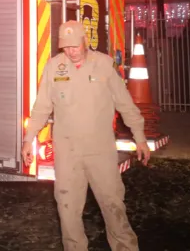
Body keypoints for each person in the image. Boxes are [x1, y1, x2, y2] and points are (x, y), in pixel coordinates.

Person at [21, 20, 150, 251]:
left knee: (113, 205)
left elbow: (126, 105)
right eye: (65, 47)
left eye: (74, 46)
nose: (70, 52)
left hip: (100, 151)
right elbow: (41, 108)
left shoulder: (103, 65)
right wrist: (28, 139)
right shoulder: (54, 67)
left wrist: (139, 137)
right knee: (67, 209)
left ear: (85, 41)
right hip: (68, 153)